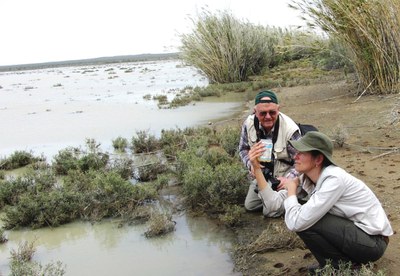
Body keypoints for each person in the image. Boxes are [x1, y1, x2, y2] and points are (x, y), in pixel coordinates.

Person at [280, 131, 393, 271]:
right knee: (304, 211)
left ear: (318, 160)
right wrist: (259, 172)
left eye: (301, 153)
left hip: (373, 244)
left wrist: (291, 191)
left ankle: (341, 267)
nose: (295, 156)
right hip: (360, 236)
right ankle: (336, 265)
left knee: (306, 219)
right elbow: (278, 204)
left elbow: (296, 222)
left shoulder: (334, 179)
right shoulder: (311, 177)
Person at [239, 90, 302, 217]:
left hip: (286, 175)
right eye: (263, 113)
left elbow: (303, 160)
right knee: (250, 205)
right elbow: (243, 149)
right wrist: (251, 165)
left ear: (278, 110)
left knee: (270, 211)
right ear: (255, 112)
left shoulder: (290, 130)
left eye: (272, 112)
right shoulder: (248, 124)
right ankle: (285, 199)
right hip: (263, 175)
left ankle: (291, 197)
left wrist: (289, 179)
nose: (268, 117)